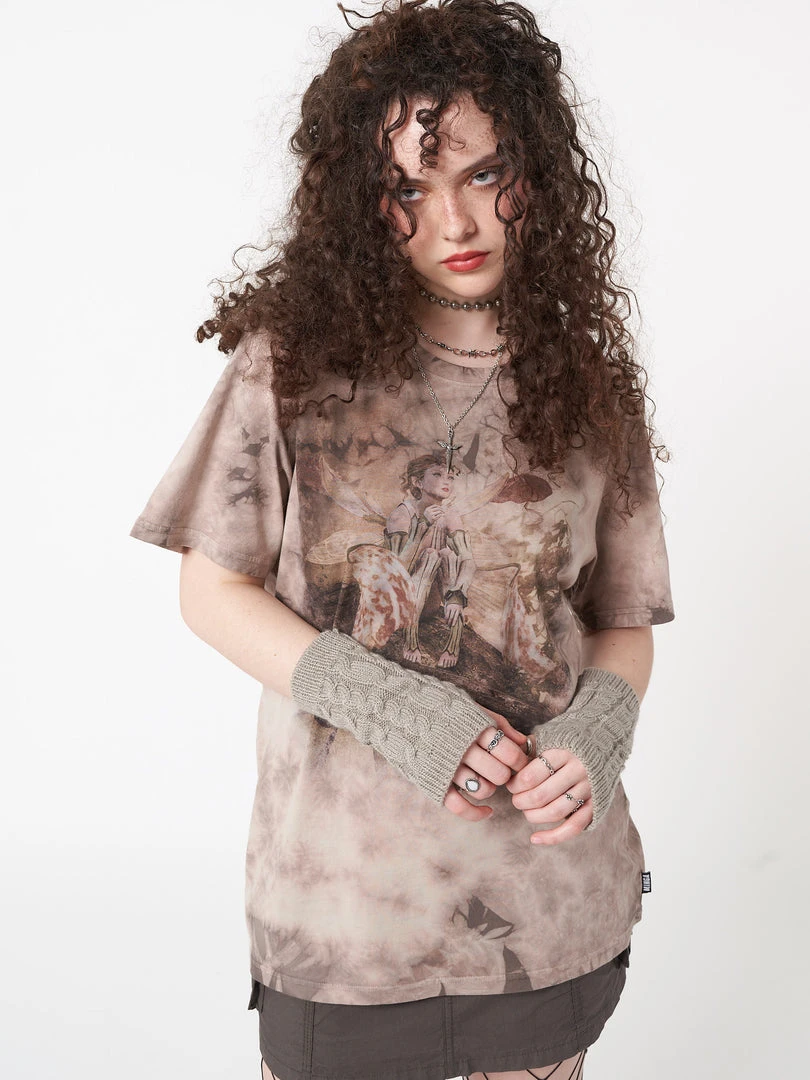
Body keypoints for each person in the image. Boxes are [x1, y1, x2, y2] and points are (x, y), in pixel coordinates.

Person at [129, 1, 674, 1078]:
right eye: (409, 189)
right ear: (360, 201)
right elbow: (212, 592)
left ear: (536, 172)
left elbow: (620, 619)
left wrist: (598, 728)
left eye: (483, 173)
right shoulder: (292, 365)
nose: (455, 221)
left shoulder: (587, 383)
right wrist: (395, 706)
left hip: (544, 903)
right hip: (348, 917)